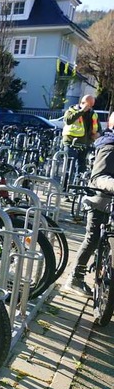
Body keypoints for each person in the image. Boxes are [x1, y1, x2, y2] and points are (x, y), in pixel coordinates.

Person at [64, 111, 114, 297]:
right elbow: (99, 177)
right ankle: (74, 278)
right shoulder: (109, 146)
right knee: (92, 238)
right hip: (101, 200)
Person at [62, 94, 101, 173]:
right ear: (82, 103)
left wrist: (98, 134)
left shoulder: (93, 114)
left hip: (85, 145)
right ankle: (65, 184)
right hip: (71, 143)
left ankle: (77, 182)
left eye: (91, 105)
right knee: (69, 167)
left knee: (82, 168)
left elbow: (99, 129)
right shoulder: (71, 110)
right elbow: (68, 120)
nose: (90, 107)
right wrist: (81, 111)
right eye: (88, 105)